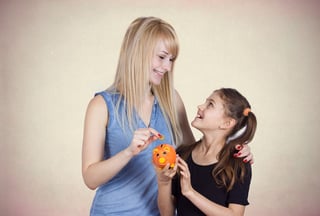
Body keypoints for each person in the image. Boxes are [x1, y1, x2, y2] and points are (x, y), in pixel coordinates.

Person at [82, 17, 253, 216]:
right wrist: (128, 152)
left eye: (171, 60)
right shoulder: (101, 106)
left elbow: (194, 155)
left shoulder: (170, 100)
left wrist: (234, 147)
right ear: (139, 53)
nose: (168, 67)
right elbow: (90, 179)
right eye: (162, 57)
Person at [156, 88, 257, 216]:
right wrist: (163, 182)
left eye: (210, 104)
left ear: (227, 123)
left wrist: (190, 192)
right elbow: (167, 213)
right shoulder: (183, 155)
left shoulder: (238, 163)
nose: (200, 106)